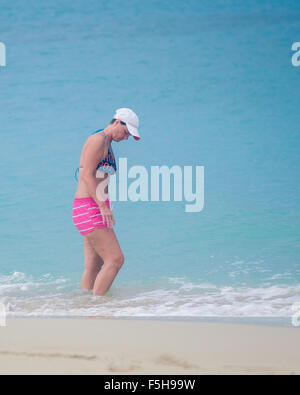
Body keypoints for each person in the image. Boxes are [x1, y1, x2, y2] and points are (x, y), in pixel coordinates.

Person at [72, 108, 140, 296]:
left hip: (91, 207)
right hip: (89, 207)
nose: (126, 138)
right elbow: (86, 175)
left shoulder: (106, 142)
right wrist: (102, 206)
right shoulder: (97, 140)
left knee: (94, 266)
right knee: (115, 260)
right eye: (126, 132)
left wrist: (106, 205)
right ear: (118, 122)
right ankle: (96, 308)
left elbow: (100, 177)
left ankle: (84, 304)